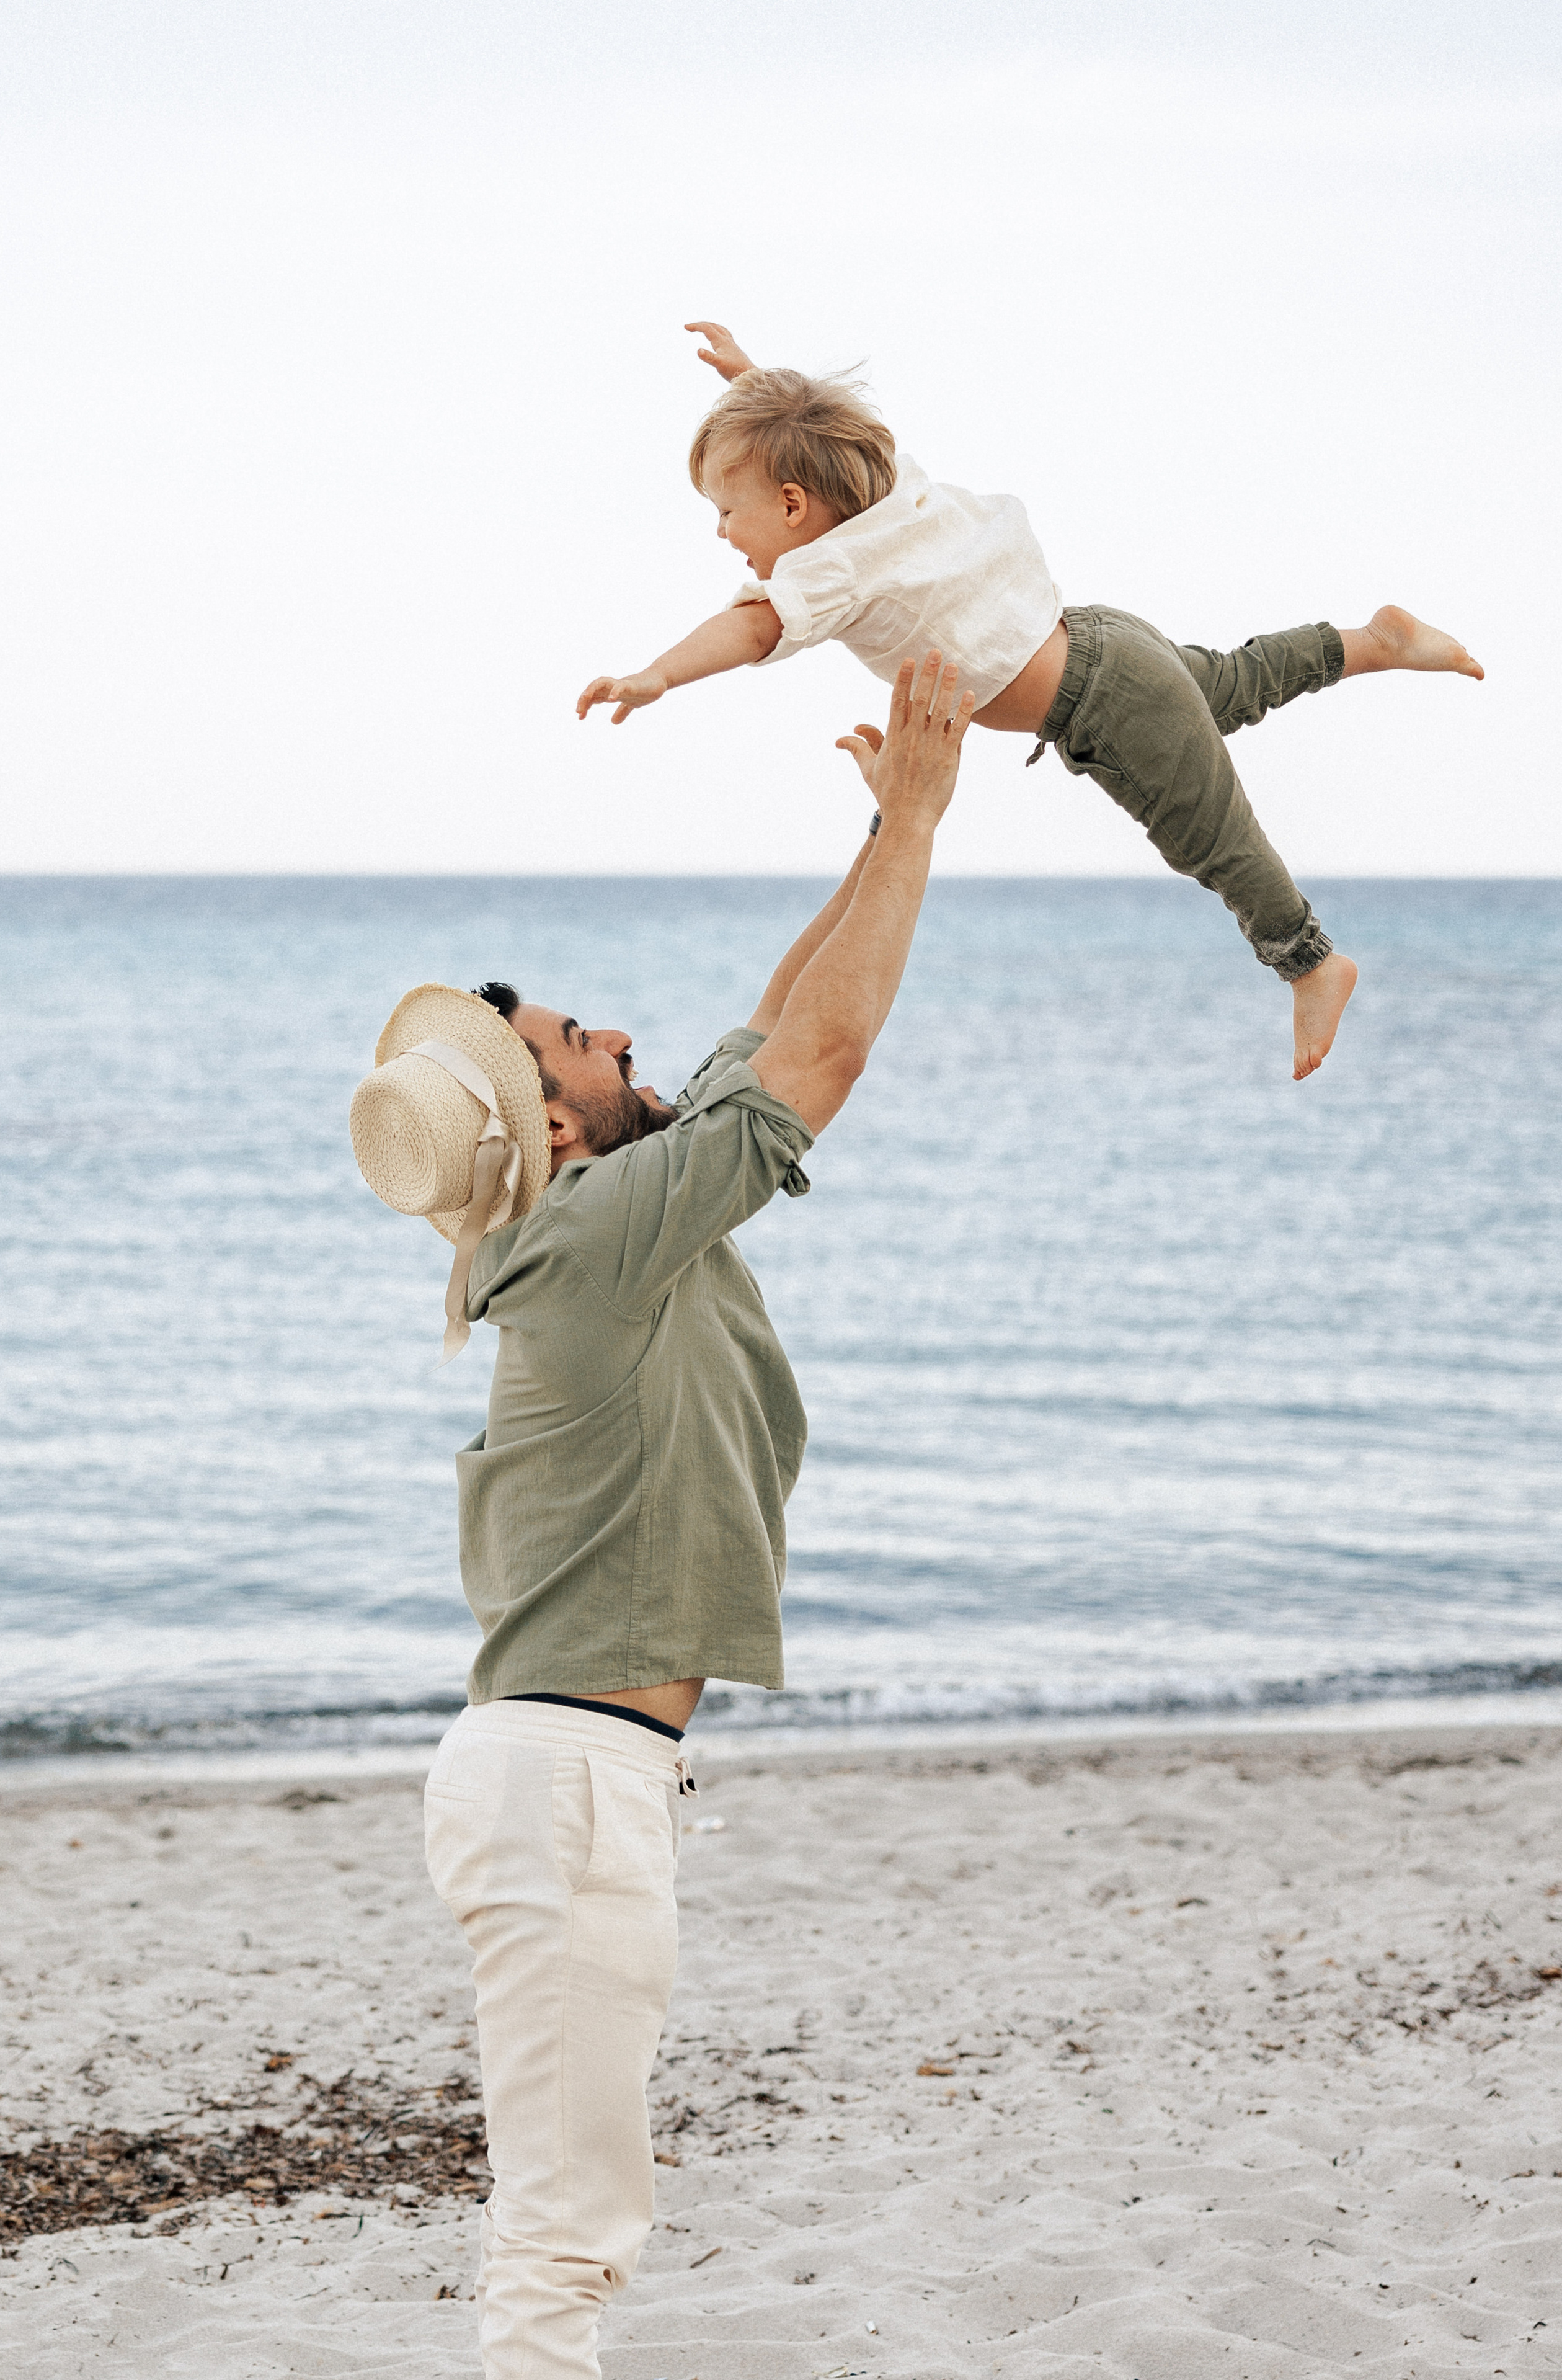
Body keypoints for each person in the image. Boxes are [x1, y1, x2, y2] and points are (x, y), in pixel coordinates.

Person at [350, 651, 972, 2378]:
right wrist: (925, 809)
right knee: (565, 2237)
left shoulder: (598, 1216)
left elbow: (774, 1034)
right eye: (580, 1035)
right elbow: (827, 1053)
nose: (620, 1030)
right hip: (564, 1786)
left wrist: (877, 829)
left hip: (577, 1778)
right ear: (555, 1119)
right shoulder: (594, 1234)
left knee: (571, 2223)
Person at [577, 321, 1486, 1083]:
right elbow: (815, 433)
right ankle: (1372, 642)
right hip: (1099, 640)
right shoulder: (888, 490)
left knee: (1209, 836)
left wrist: (658, 673)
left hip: (1103, 704)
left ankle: (1312, 963)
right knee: (1230, 686)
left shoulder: (829, 568)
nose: (723, 534)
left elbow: (754, 629)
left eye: (728, 512)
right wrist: (753, 383)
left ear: (791, 503)